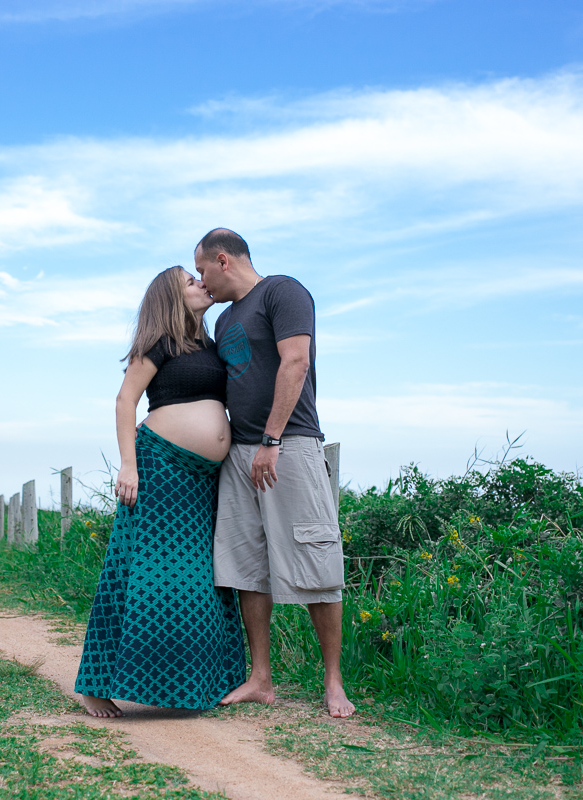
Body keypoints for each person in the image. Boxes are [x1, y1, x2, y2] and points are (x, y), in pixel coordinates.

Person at [193, 228, 355, 718]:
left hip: (287, 447)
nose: (202, 281)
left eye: (202, 270)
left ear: (223, 259)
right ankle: (260, 678)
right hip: (240, 456)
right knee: (247, 568)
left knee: (315, 561)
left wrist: (272, 440)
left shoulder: (283, 291)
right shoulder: (223, 321)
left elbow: (296, 361)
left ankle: (333, 683)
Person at [74, 265, 247, 718]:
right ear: (172, 296)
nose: (201, 284)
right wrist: (128, 467)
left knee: (201, 581)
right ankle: (96, 685)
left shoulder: (210, 344)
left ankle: (198, 682)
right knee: (143, 575)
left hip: (203, 478)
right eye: (191, 281)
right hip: (160, 467)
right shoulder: (158, 343)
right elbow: (125, 400)